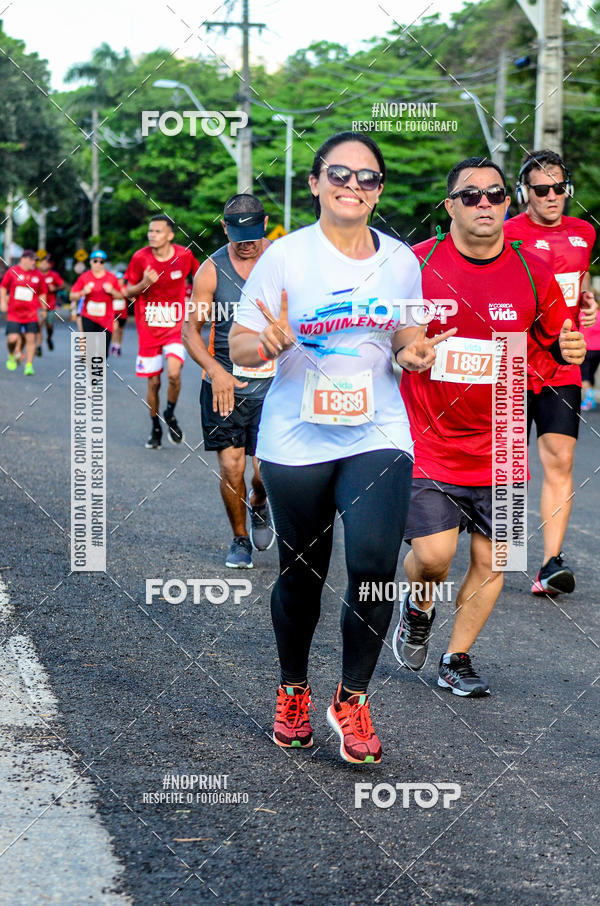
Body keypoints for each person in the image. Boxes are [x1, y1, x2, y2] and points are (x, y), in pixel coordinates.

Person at [230, 131, 450, 764]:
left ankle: (351, 698)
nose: (353, 187)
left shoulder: (401, 259)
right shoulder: (284, 259)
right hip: (296, 438)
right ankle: (292, 688)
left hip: (377, 431)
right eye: (341, 175)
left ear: (379, 191)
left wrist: (414, 351)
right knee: (303, 573)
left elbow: (408, 334)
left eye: (367, 179)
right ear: (316, 183)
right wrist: (265, 344)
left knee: (377, 565)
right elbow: (241, 347)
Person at [393, 157, 585, 696]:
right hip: (429, 434)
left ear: (508, 203)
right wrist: (408, 353)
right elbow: (392, 340)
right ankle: (419, 602)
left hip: (502, 431)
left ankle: (456, 657)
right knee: (432, 558)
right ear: (449, 204)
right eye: (470, 195)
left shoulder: (532, 271)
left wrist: (570, 347)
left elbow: (556, 340)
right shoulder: (418, 263)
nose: (484, 204)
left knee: (496, 557)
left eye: (495, 195)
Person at [504, 151, 597, 595]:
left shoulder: (585, 232)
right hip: (514, 360)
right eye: (541, 189)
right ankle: (499, 552)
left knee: (560, 458)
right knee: (507, 465)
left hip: (562, 364)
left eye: (559, 188)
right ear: (525, 193)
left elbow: (577, 284)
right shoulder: (506, 234)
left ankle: (549, 564)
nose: (551, 196)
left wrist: (587, 300)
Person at [182, 194, 275, 569]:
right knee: (231, 466)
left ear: (265, 223)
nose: (246, 242)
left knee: (266, 470)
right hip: (225, 384)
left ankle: (259, 500)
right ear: (224, 228)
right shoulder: (211, 270)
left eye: (252, 233)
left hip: (275, 383)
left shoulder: (284, 261)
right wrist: (216, 370)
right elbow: (191, 331)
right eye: (238, 234)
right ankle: (239, 540)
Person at [125, 214, 200, 449]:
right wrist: (144, 283)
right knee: (154, 383)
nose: (152, 235)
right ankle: (155, 426)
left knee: (174, 375)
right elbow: (127, 292)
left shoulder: (184, 255)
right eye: (150, 231)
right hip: (148, 328)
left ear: (170, 235)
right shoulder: (140, 258)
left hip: (175, 326)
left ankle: (170, 413)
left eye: (157, 231)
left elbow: (202, 279)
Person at [1, 250, 46, 375]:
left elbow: (42, 292)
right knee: (12, 339)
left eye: (35, 260)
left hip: (31, 313)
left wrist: (44, 308)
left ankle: (29, 365)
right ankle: (11, 354)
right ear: (23, 259)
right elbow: (3, 287)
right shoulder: (13, 271)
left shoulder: (38, 275)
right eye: (32, 260)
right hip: (14, 313)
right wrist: (3, 302)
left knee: (31, 338)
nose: (34, 262)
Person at [69, 250, 122, 356]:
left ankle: (98, 369)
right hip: (89, 317)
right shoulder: (84, 277)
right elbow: (71, 296)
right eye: (95, 261)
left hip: (106, 318)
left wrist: (112, 291)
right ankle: (92, 371)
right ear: (90, 262)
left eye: (101, 262)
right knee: (90, 348)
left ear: (104, 263)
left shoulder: (111, 278)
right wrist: (83, 292)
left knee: (104, 350)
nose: (98, 264)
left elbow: (120, 296)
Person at [37, 255, 64, 352]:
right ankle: (39, 346)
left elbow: (63, 285)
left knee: (49, 326)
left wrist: (55, 288)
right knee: (39, 324)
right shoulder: (35, 274)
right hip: (38, 305)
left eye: (46, 263)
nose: (44, 264)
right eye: (42, 262)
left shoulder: (54, 275)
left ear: (50, 265)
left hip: (50, 305)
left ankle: (49, 338)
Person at [580, 310, 600, 410]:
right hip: (598, 350)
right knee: (590, 374)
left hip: (586, 349)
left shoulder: (581, 314)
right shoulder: (599, 314)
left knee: (584, 376)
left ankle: (589, 399)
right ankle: (590, 396)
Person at [110, 270, 128, 356]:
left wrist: (127, 294)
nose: (119, 281)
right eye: (117, 279)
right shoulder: (112, 288)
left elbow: (132, 298)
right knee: (114, 328)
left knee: (120, 330)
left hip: (123, 313)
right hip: (114, 312)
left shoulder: (126, 288)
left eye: (120, 279)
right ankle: (113, 345)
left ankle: (119, 346)